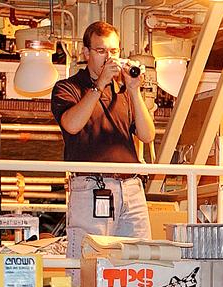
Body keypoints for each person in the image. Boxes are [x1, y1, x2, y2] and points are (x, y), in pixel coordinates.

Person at [53, 20, 158, 272]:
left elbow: (147, 134)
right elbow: (72, 124)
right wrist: (99, 85)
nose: (109, 58)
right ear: (86, 53)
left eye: (114, 51)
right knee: (88, 265)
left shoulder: (124, 93)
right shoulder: (68, 88)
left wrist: (134, 91)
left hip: (130, 187)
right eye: (101, 51)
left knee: (141, 263)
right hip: (92, 186)